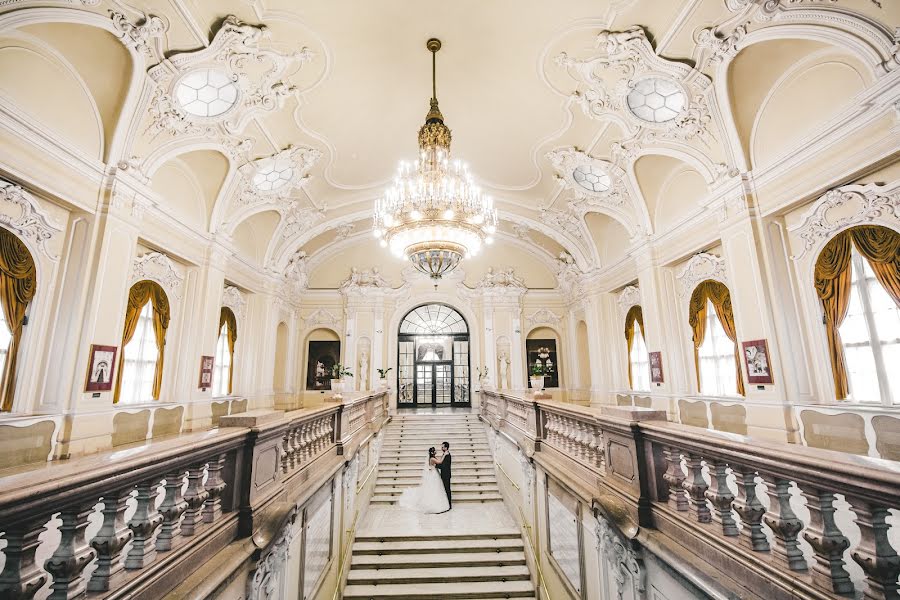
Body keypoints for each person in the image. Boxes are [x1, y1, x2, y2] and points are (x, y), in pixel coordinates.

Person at [397, 447, 450, 514]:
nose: (436, 452)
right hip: (433, 474)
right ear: (432, 452)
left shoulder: (433, 458)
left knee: (436, 488)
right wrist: (445, 455)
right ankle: (434, 505)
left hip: (435, 473)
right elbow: (440, 462)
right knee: (434, 488)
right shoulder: (432, 459)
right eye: (434, 451)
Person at [434, 441, 452, 510]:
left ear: (446, 447)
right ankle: (447, 503)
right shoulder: (445, 454)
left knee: (447, 489)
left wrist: (436, 465)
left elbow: (443, 466)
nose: (441, 448)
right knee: (445, 489)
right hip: (445, 474)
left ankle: (449, 505)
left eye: (443, 447)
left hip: (446, 475)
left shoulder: (447, 455)